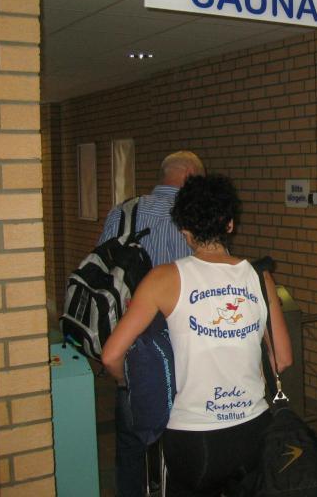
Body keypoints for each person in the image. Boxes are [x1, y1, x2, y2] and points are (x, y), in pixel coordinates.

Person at [102, 174, 292, 496]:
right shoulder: (260, 277)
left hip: (193, 438)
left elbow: (111, 355)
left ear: (185, 232)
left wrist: (128, 383)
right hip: (253, 430)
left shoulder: (163, 279)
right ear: (230, 224)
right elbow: (283, 359)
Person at [98, 150, 204, 497]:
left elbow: (103, 272)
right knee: (182, 435)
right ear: (190, 176)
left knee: (130, 441)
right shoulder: (195, 216)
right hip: (182, 348)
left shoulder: (122, 212)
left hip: (131, 342)